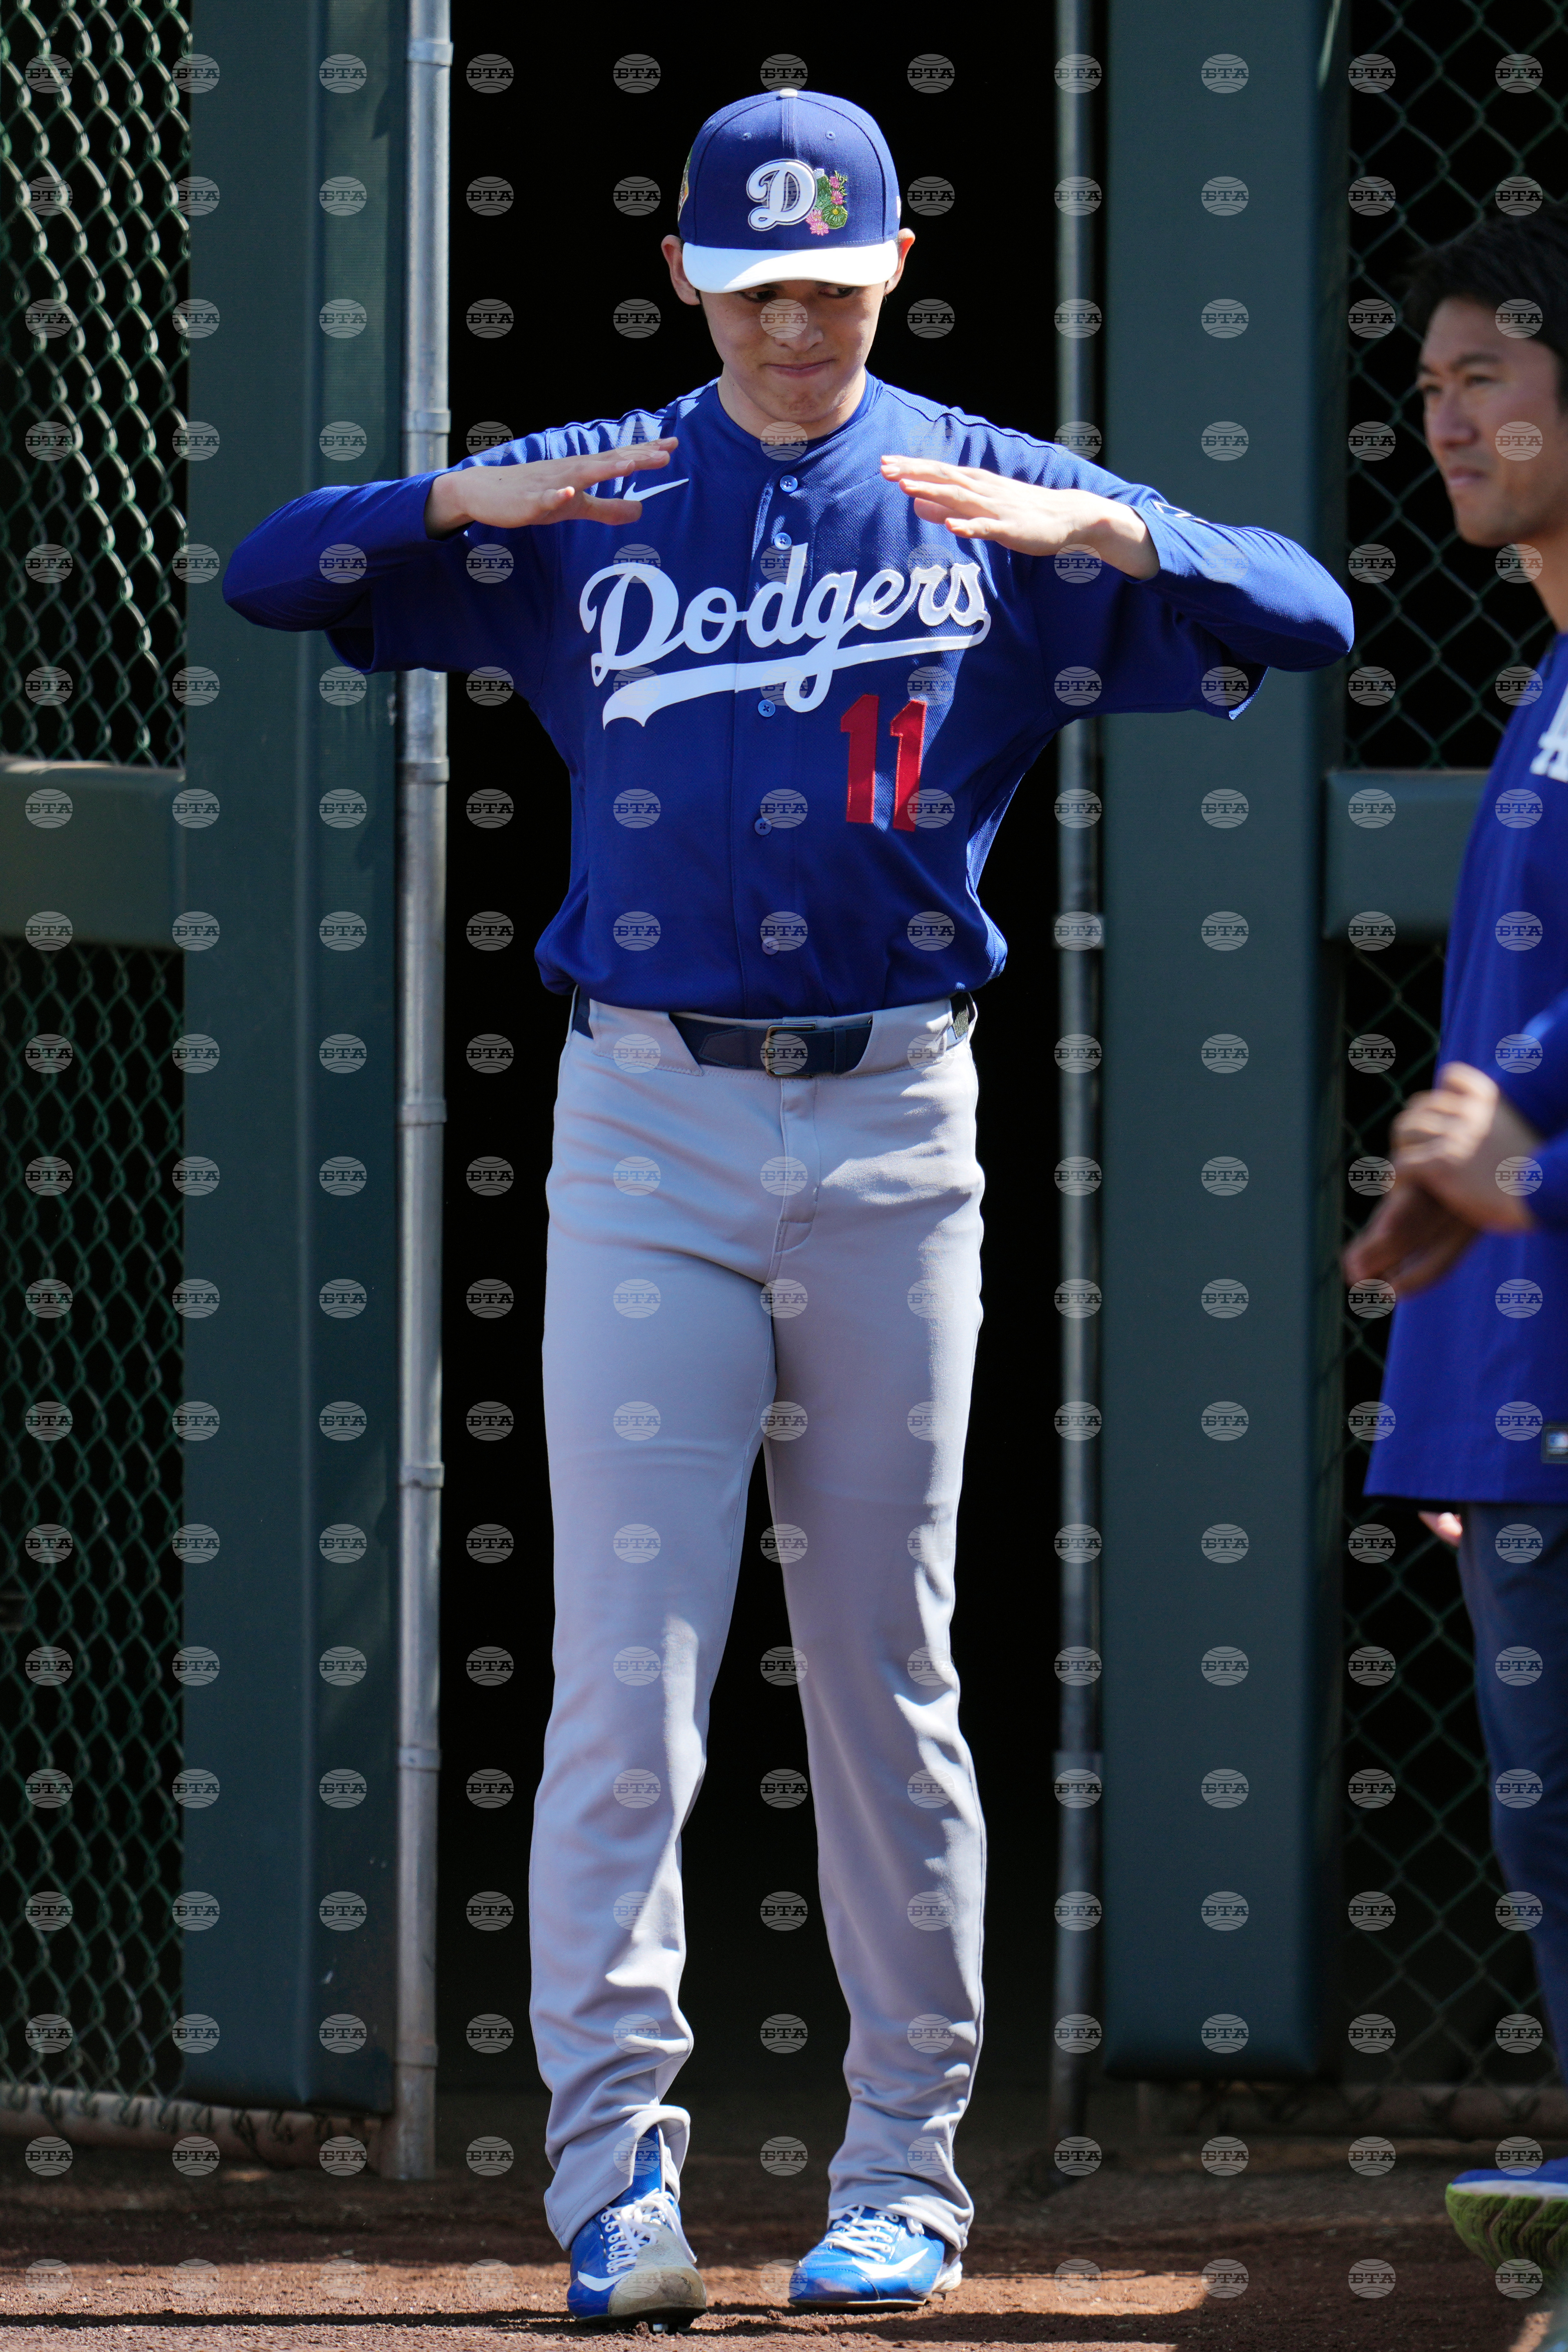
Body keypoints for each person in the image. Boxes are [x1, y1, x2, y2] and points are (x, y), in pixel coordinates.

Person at [226, 86, 1350, 2326]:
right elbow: (275, 573)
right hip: (646, 1123)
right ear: (688, 282)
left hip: (896, 1126)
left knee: (884, 1663)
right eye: (755, 291)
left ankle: (905, 2171)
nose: (795, 328)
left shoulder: (994, 490)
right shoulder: (596, 487)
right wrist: (446, 495)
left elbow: (1307, 614)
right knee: (627, 1678)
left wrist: (1122, 531)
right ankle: (612, 2185)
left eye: (831, 287)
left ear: (896, 268)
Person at [1344, 202, 1568, 2339]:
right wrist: (1463, 1383)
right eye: (1427, 388)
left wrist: (1518, 1158)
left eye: (1485, 374)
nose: (1444, 421)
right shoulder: (1555, 677)